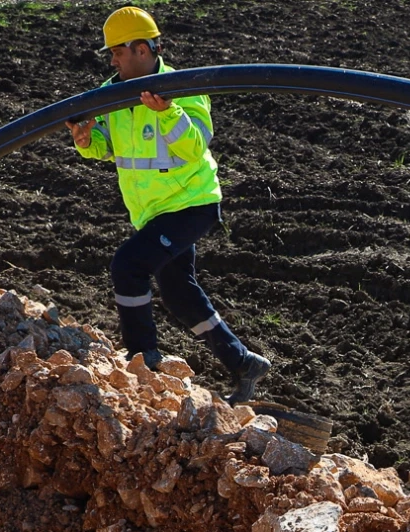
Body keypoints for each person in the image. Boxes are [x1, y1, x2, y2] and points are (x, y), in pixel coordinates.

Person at [67, 6, 270, 404]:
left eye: (117, 52)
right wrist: (87, 140)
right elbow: (106, 148)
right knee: (178, 293)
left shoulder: (184, 87)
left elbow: (196, 146)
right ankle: (243, 362)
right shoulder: (113, 94)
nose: (112, 60)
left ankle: (142, 359)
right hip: (152, 212)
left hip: (191, 203)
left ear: (142, 49)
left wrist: (167, 112)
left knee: (129, 265)